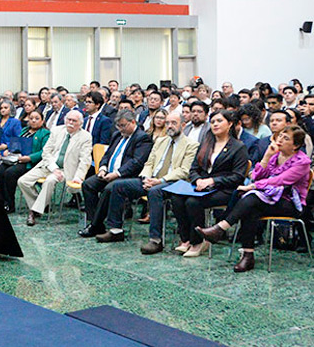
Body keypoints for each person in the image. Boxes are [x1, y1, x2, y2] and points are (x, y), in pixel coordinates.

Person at [197, 126, 311, 272]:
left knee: (251, 198)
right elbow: (256, 176)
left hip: (289, 202)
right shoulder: (276, 155)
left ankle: (222, 229)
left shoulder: (302, 162)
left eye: (286, 138)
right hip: (266, 197)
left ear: (295, 145)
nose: (280, 139)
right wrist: (267, 156)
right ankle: (247, 255)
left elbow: (280, 181)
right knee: (250, 208)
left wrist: (252, 187)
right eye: (280, 136)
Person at [98, 111, 198, 250]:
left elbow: (184, 170)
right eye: (167, 123)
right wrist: (146, 177)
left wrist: (160, 180)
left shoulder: (191, 144)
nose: (169, 126)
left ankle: (155, 239)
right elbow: (149, 163)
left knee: (154, 192)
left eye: (173, 123)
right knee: (117, 186)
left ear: (183, 125)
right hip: (151, 179)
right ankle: (116, 230)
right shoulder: (160, 141)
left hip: (173, 182)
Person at [170, 110, 249, 258]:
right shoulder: (206, 143)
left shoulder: (238, 147)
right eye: (212, 122)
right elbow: (193, 168)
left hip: (224, 189)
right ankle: (185, 238)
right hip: (201, 187)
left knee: (192, 202)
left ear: (230, 124)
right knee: (176, 198)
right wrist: (198, 180)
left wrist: (212, 181)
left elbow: (238, 177)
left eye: (219, 121)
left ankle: (198, 241)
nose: (215, 124)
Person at [79, 109, 152, 239]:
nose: (121, 129)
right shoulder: (117, 135)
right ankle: (97, 222)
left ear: (133, 122)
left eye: (123, 125)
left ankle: (95, 226)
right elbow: (107, 154)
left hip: (126, 176)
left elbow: (137, 163)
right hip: (108, 173)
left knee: (110, 188)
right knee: (88, 184)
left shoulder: (142, 138)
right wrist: (102, 167)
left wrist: (117, 174)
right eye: (118, 126)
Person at [18, 110, 92, 226]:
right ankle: (39, 204)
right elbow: (46, 152)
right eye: (69, 120)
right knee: (23, 181)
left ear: (80, 124)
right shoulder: (57, 130)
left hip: (66, 169)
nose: (70, 123)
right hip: (49, 165)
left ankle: (33, 212)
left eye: (74, 121)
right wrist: (53, 168)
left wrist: (79, 177)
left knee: (50, 180)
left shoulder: (85, 137)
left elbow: (85, 160)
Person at [0, 110, 50, 213]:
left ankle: (10, 204)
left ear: (42, 121)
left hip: (31, 162)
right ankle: (2, 201)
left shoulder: (45, 133)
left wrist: (30, 158)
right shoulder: (24, 130)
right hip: (17, 158)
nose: (33, 121)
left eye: (37, 119)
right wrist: (8, 150)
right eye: (31, 118)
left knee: (10, 173)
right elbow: (16, 144)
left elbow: (44, 151)